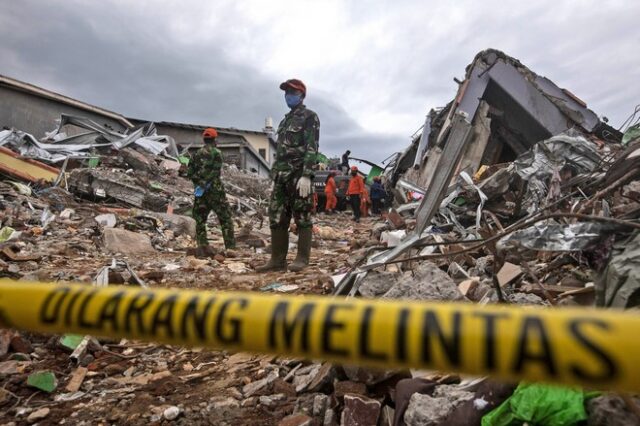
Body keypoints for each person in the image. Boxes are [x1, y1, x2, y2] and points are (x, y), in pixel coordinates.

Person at [256, 78, 320, 272]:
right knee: (276, 216)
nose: (288, 96)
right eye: (286, 93)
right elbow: (281, 150)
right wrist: (274, 173)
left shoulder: (310, 117)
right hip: (281, 177)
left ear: (301, 95)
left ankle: (302, 259)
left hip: (298, 174)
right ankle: (277, 260)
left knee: (302, 215)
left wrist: (307, 175)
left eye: (292, 92)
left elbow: (312, 147)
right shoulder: (285, 121)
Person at [187, 128, 235, 249]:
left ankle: (202, 245)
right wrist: (206, 182)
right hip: (216, 191)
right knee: (225, 218)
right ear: (214, 139)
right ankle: (230, 247)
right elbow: (215, 171)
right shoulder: (216, 153)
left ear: (204, 139)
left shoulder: (196, 155)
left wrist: (200, 183)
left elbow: (190, 173)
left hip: (201, 192)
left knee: (199, 219)